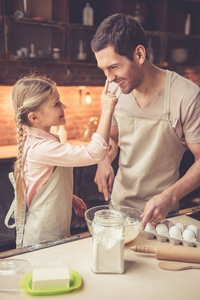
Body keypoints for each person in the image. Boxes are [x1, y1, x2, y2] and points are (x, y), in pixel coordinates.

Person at [91, 13, 200, 230]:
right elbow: (112, 139)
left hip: (164, 218)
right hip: (118, 212)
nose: (109, 78)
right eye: (103, 69)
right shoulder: (114, 88)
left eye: (114, 66)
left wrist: (169, 197)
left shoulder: (186, 96)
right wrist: (103, 161)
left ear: (139, 54)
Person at [5, 74, 118, 248]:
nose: (64, 106)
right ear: (35, 117)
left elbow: (39, 184)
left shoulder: (39, 143)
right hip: (43, 238)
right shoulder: (42, 148)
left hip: (49, 233)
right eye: (56, 104)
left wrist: (67, 196)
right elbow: (94, 153)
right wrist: (107, 111)